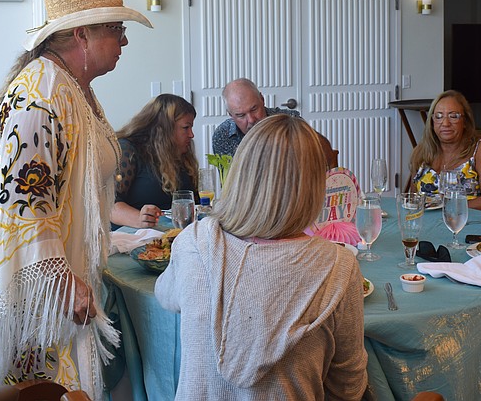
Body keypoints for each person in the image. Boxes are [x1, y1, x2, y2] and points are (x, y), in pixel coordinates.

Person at [0, 0, 152, 396]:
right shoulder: (42, 94)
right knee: (39, 387)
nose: (125, 42)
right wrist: (62, 282)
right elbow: (24, 204)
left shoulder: (71, 86)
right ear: (82, 35)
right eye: (117, 30)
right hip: (17, 267)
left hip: (41, 257)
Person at [155, 114, 368, 399]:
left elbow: (165, 296)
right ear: (315, 186)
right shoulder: (338, 267)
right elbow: (348, 388)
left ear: (240, 173)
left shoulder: (194, 241)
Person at [112, 93, 198, 228]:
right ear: (165, 128)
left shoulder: (181, 154)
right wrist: (139, 219)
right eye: (186, 127)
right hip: (134, 237)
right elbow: (109, 205)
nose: (191, 135)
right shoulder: (128, 150)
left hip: (172, 234)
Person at [409, 90, 481, 212]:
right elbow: (413, 198)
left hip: (468, 225)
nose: (445, 123)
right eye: (439, 116)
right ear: (432, 122)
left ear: (465, 121)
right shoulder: (421, 151)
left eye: (453, 116)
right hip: (427, 225)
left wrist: (449, 207)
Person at [211, 78, 299, 156]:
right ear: (230, 115)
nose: (251, 120)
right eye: (241, 115)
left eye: (254, 109)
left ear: (262, 99)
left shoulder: (292, 123)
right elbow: (227, 174)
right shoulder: (223, 135)